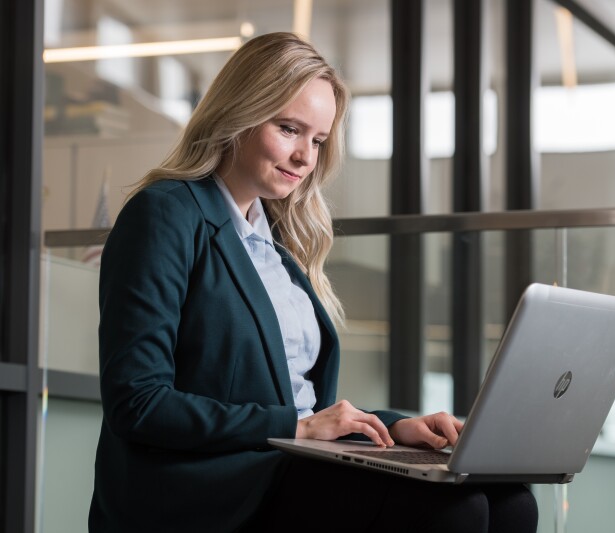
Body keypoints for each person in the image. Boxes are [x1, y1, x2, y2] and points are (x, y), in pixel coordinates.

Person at [88, 32, 538, 533]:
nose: (306, 157)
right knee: (454, 511)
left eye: (318, 141)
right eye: (289, 129)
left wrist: (393, 427)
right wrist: (297, 428)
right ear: (238, 114)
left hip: (287, 463)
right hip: (214, 484)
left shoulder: (275, 239)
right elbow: (139, 402)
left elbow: (303, 406)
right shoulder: (165, 214)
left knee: (513, 502)